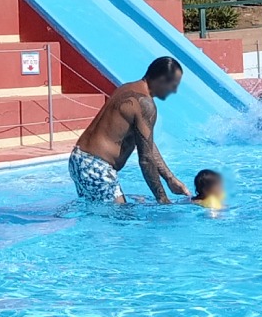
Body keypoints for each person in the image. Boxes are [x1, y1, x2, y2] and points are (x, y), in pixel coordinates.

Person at [69, 56, 190, 205]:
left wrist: (169, 178)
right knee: (123, 220)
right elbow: (145, 159)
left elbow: (147, 143)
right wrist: (162, 199)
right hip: (97, 166)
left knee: (100, 215)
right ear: (162, 79)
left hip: (79, 160)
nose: (174, 90)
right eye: (173, 85)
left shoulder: (127, 87)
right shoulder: (145, 103)